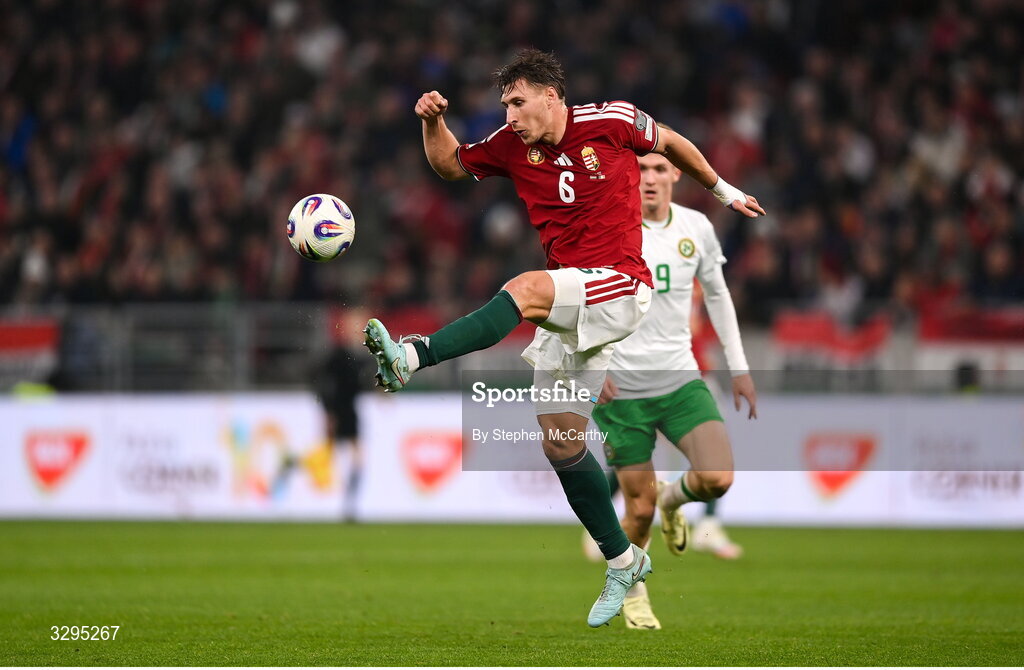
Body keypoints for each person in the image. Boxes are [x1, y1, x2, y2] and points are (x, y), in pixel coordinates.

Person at [362, 49, 764, 627]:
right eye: (505, 103)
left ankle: (411, 355)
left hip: (623, 287)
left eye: (517, 101)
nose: (510, 112)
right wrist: (431, 121)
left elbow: (671, 143)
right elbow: (450, 164)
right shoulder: (509, 143)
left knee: (525, 288)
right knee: (559, 441)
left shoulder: (613, 121)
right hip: (574, 304)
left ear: (551, 97)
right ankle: (623, 558)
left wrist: (724, 191)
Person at [586, 139, 757, 630]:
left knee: (717, 479)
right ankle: (635, 596)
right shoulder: (604, 226)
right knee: (635, 511)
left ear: (677, 174)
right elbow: (578, 301)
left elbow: (719, 298)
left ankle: (673, 499)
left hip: (681, 377)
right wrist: (590, 368)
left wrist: (739, 367)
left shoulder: (696, 228)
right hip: (622, 388)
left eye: (660, 167)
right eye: (640, 167)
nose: (650, 176)